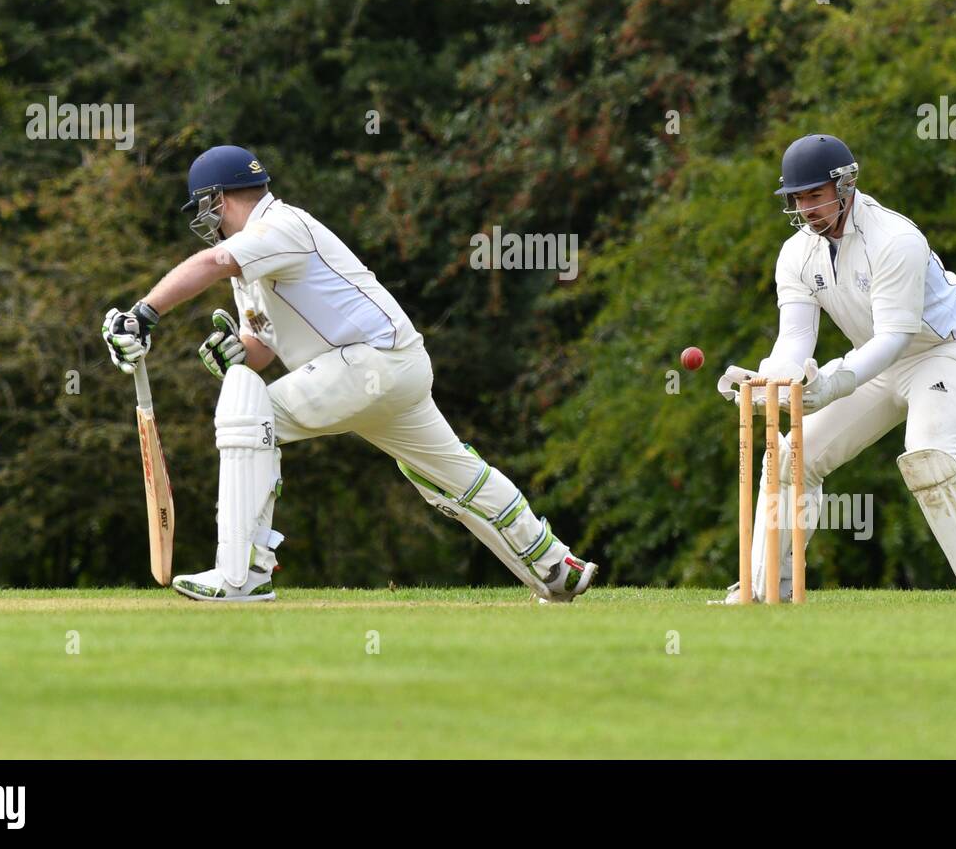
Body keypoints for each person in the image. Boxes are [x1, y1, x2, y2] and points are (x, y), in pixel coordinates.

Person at [102, 145, 596, 604]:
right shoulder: (251, 264)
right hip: (390, 368)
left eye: (206, 207)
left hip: (370, 363)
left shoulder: (278, 227)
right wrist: (237, 355)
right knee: (451, 475)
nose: (206, 221)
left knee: (249, 415)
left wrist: (143, 313)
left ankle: (241, 576)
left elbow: (213, 261)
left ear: (220, 199)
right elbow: (264, 349)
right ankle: (556, 567)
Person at [717, 134, 956, 605]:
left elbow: (897, 334)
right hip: (874, 358)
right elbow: (794, 339)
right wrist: (770, 381)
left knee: (927, 455)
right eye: (798, 197)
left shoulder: (896, 239)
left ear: (845, 184)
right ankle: (765, 586)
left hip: (946, 350)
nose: (806, 207)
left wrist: (832, 384)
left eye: (815, 195)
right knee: (792, 457)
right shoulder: (797, 254)